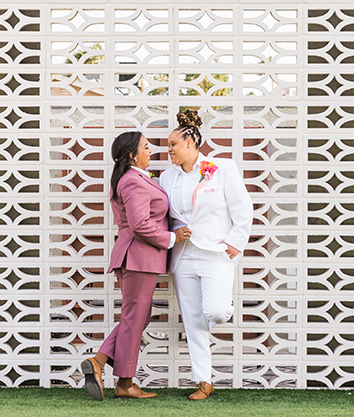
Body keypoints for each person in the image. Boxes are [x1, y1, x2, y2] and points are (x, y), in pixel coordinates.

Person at [82, 131, 192, 401]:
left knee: (137, 317)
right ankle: (125, 383)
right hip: (138, 257)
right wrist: (171, 238)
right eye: (145, 147)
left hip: (138, 257)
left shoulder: (135, 178)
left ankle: (99, 361)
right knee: (134, 318)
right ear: (132, 154)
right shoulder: (133, 181)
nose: (151, 150)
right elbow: (140, 223)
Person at [159, 110, 253, 401]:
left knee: (216, 312)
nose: (169, 150)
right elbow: (167, 216)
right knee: (192, 320)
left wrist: (236, 241)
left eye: (173, 144)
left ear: (191, 141)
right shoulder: (165, 177)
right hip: (183, 255)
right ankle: (204, 381)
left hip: (216, 252)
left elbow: (242, 207)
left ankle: (217, 312)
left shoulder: (222, 167)